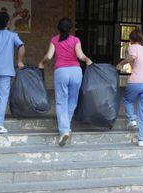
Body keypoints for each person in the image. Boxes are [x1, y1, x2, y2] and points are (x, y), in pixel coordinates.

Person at [38, 18, 93, 147]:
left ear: (59, 28)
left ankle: (64, 130)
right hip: (76, 71)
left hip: (61, 72)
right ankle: (66, 127)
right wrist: (87, 60)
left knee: (61, 101)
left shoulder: (54, 40)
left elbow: (49, 57)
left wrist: (41, 62)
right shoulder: (75, 40)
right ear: (70, 28)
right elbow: (80, 56)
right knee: (72, 100)